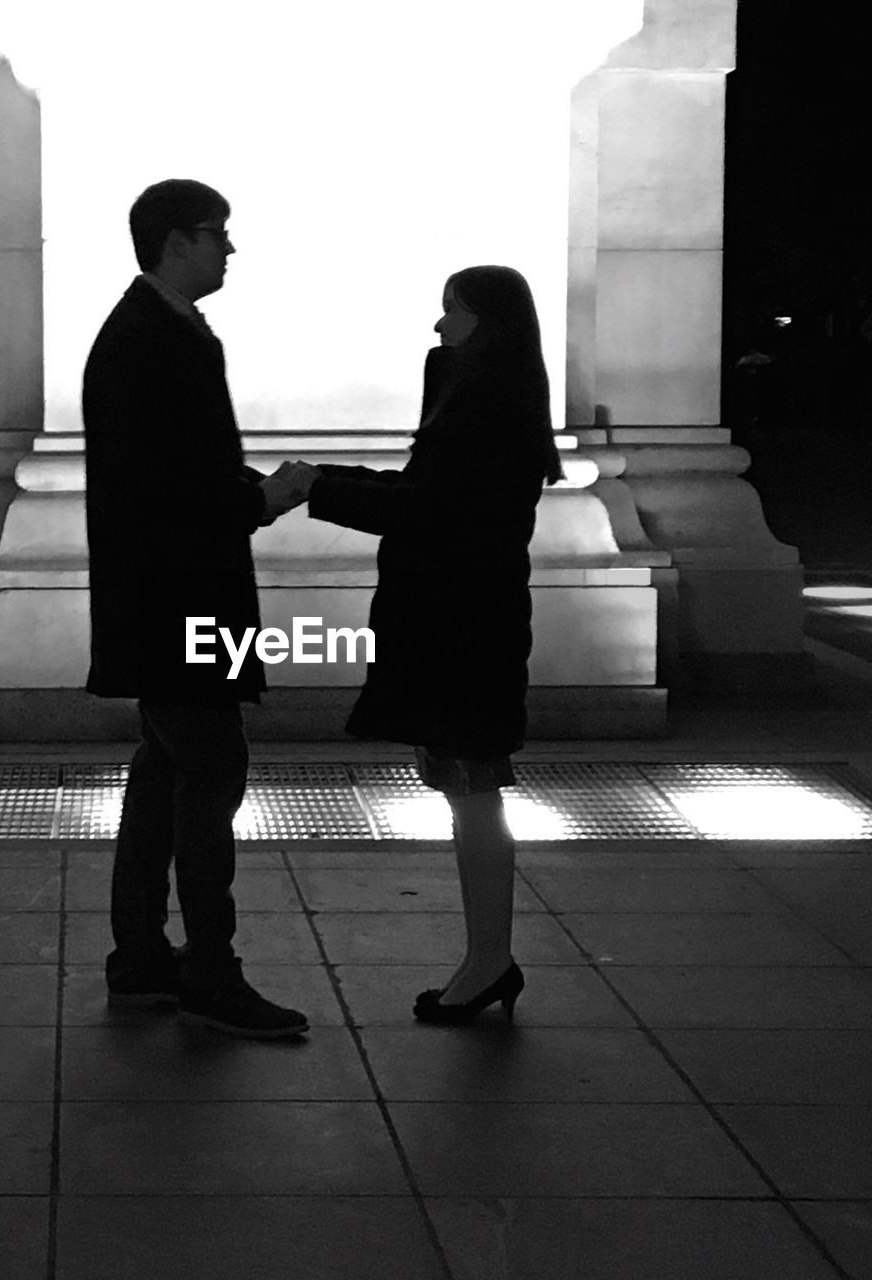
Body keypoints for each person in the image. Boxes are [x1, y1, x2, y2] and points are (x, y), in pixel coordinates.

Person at [285, 265, 563, 1024]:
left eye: (452, 312)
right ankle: (486, 959)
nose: (439, 327)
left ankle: (488, 960)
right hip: (466, 617)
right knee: (465, 783)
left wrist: (317, 488)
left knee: (472, 786)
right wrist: (324, 479)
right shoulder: (488, 395)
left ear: (486, 321)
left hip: (464, 623)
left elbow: (426, 510)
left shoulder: (485, 401)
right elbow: (426, 494)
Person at [81, 178, 310, 1040]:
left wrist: (256, 493)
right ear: (175, 242)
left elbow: (173, 468)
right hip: (181, 604)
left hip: (162, 601)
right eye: (218, 235)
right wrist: (264, 500)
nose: (229, 249)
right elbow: (178, 484)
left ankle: (142, 956)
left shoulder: (149, 330)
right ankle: (211, 970)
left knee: (166, 772)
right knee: (212, 770)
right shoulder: (155, 339)